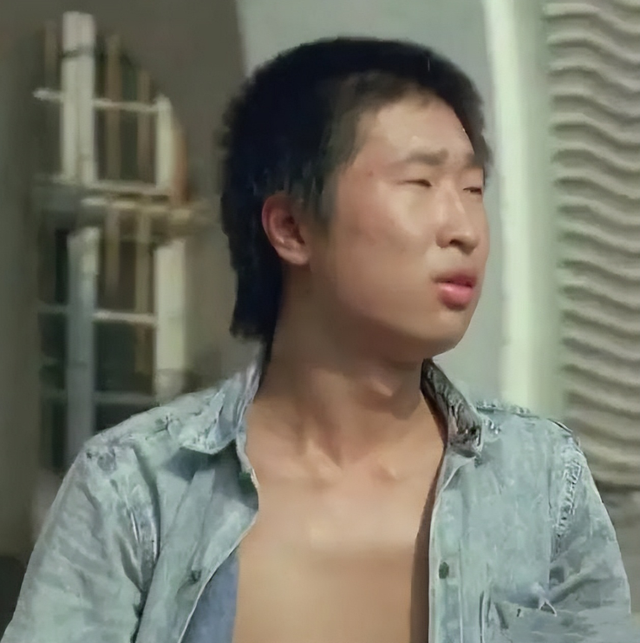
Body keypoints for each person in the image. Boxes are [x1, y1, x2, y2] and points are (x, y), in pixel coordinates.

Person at [2, 37, 637, 643]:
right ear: (291, 228)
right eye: (420, 184)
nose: (464, 229)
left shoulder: (539, 479)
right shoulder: (136, 490)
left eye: (472, 190)